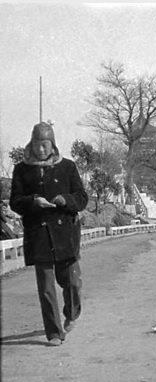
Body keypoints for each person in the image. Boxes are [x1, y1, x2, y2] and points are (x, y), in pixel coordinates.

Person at [9, 122, 88, 346]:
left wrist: (66, 200)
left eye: (45, 145)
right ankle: (54, 332)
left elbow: (82, 197)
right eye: (37, 145)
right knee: (45, 287)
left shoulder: (68, 167)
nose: (41, 150)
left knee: (72, 281)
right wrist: (34, 202)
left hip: (65, 233)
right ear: (31, 145)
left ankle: (71, 313)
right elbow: (15, 202)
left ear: (52, 144)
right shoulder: (21, 170)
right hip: (38, 233)